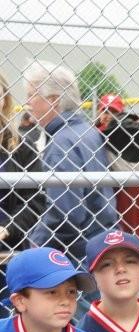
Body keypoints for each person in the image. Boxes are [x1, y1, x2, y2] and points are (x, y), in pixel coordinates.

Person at [23, 62, 118, 264]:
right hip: (100, 243)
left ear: (53, 100)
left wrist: (33, 246)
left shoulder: (61, 142)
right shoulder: (86, 131)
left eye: (32, 95)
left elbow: (65, 213)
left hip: (78, 254)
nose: (27, 103)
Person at [0, 69, 47, 300]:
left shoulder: (20, 148)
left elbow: (35, 200)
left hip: (8, 254)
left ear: (5, 100)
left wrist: (7, 228)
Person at [95, 94, 139, 239]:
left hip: (132, 194)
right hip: (111, 193)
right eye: (105, 111)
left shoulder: (130, 134)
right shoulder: (94, 134)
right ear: (99, 112)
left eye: (114, 112)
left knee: (132, 236)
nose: (108, 116)